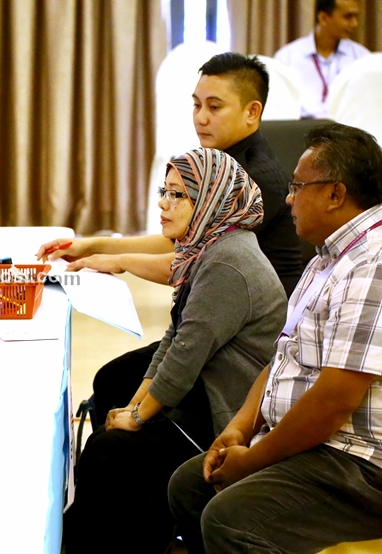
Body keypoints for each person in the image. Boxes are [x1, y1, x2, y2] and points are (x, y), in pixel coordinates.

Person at [37, 53, 302, 424]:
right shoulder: (216, 166)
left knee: (115, 382)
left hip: (245, 342)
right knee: (114, 379)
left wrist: (119, 259)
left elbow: (191, 264)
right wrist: (94, 245)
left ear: (252, 112)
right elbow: (178, 243)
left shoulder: (255, 182)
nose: (201, 117)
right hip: (214, 317)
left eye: (215, 107)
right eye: (196, 105)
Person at [168, 122, 382, 553]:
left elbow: (335, 399)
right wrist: (238, 429)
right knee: (189, 485)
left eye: (297, 186)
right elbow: (283, 354)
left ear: (335, 193)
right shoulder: (327, 257)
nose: (287, 199)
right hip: (319, 441)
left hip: (359, 461)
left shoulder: (371, 264)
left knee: (231, 519)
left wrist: (255, 460)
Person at [62, 148, 287, 553]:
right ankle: (126, 528)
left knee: (110, 451)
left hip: (228, 409)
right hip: (207, 385)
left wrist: (135, 417)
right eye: (163, 192)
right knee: (114, 406)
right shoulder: (208, 246)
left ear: (212, 199)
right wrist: (134, 408)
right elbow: (175, 336)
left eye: (178, 195)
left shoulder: (228, 262)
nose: (164, 204)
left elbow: (186, 356)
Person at [274, 0, 370, 119]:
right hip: (300, 131)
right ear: (324, 18)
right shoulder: (287, 57)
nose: (355, 23)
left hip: (348, 132)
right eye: (348, 17)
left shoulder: (362, 58)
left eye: (356, 17)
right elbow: (279, 105)